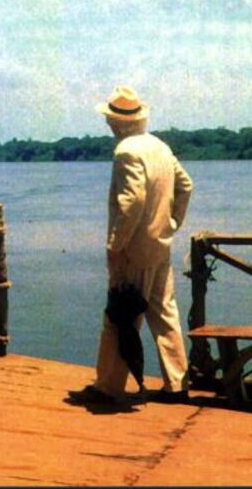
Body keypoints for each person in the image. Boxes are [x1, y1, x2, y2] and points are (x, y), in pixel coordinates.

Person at [70, 85, 193, 405]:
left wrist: (114, 245)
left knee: (119, 317)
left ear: (118, 122)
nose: (108, 124)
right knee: (164, 313)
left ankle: (108, 387)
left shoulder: (126, 151)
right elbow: (185, 186)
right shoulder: (160, 147)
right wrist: (173, 223)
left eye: (110, 120)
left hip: (133, 252)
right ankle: (177, 383)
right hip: (160, 246)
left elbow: (132, 203)